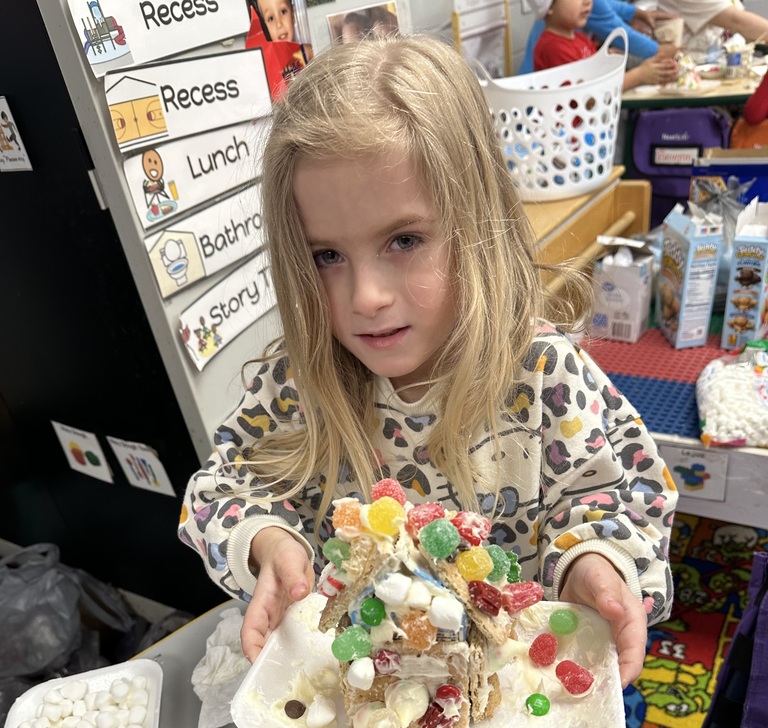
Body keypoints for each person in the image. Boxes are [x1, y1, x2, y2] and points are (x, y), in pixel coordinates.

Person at [178, 36, 677, 688]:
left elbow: (625, 496)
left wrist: (596, 560)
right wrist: (272, 543)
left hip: (504, 686)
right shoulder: (295, 389)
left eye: (404, 240)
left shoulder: (547, 378)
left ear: (477, 221)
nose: (366, 298)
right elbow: (221, 491)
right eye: (326, 256)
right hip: (361, 683)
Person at [534, 0, 678, 87]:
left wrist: (605, 59)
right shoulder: (554, 48)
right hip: (565, 134)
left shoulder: (580, 39)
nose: (588, 1)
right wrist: (639, 76)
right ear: (549, 7)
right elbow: (587, 96)